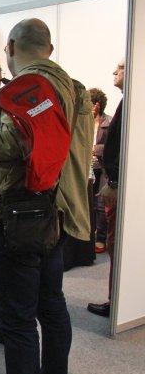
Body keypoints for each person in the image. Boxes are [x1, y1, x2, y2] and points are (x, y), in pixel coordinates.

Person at [0, 18, 93, 374]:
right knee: (52, 306)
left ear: (10, 47)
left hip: (20, 217)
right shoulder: (76, 89)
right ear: (50, 50)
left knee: (18, 319)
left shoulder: (28, 88)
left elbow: (6, 145)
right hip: (58, 213)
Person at [87, 60, 125, 318]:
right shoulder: (128, 101)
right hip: (112, 182)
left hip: (115, 184)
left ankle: (117, 303)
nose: (115, 71)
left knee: (115, 241)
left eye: (120, 68)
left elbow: (118, 148)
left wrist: (113, 183)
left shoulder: (127, 105)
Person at [89, 88, 110, 252]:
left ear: (96, 105)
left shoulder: (108, 122)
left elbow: (114, 147)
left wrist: (97, 149)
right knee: (88, 203)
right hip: (86, 167)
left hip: (103, 168)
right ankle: (88, 238)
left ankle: (100, 239)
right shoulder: (83, 122)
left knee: (101, 204)